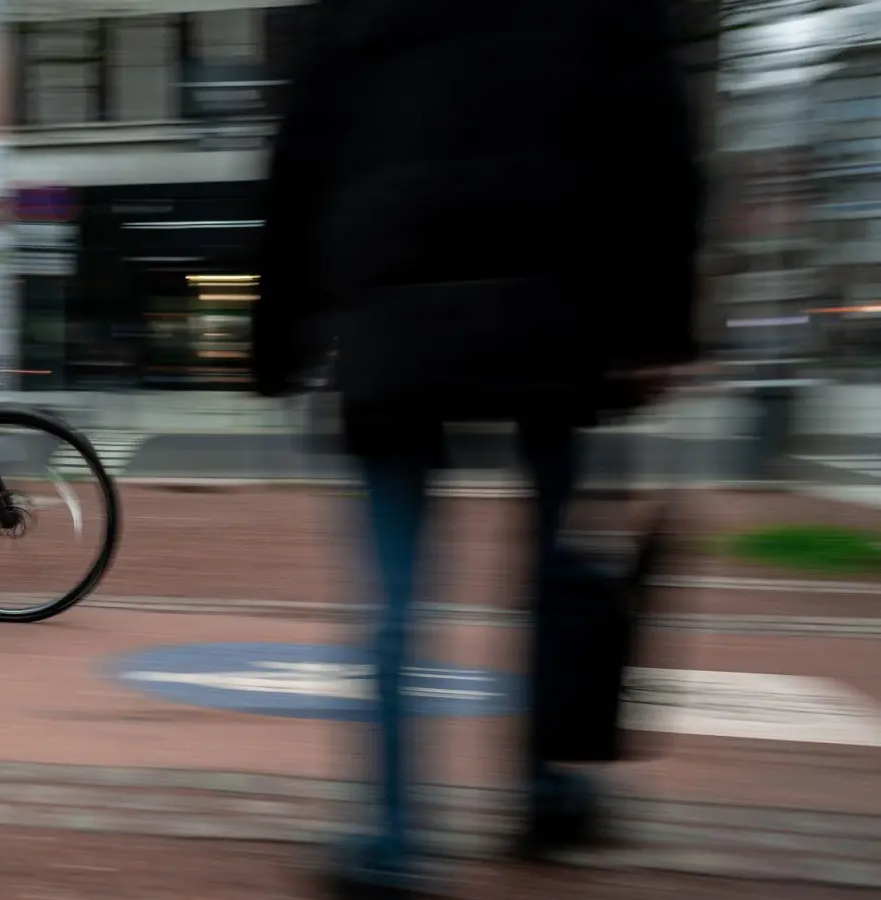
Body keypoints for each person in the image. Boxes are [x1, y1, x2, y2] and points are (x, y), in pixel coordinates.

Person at [251, 0, 702, 896]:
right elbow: (661, 138)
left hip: (393, 317)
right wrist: (663, 319)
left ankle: (389, 838)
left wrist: (278, 338)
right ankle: (544, 788)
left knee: (395, 595)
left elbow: (299, 156)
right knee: (555, 575)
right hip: (560, 305)